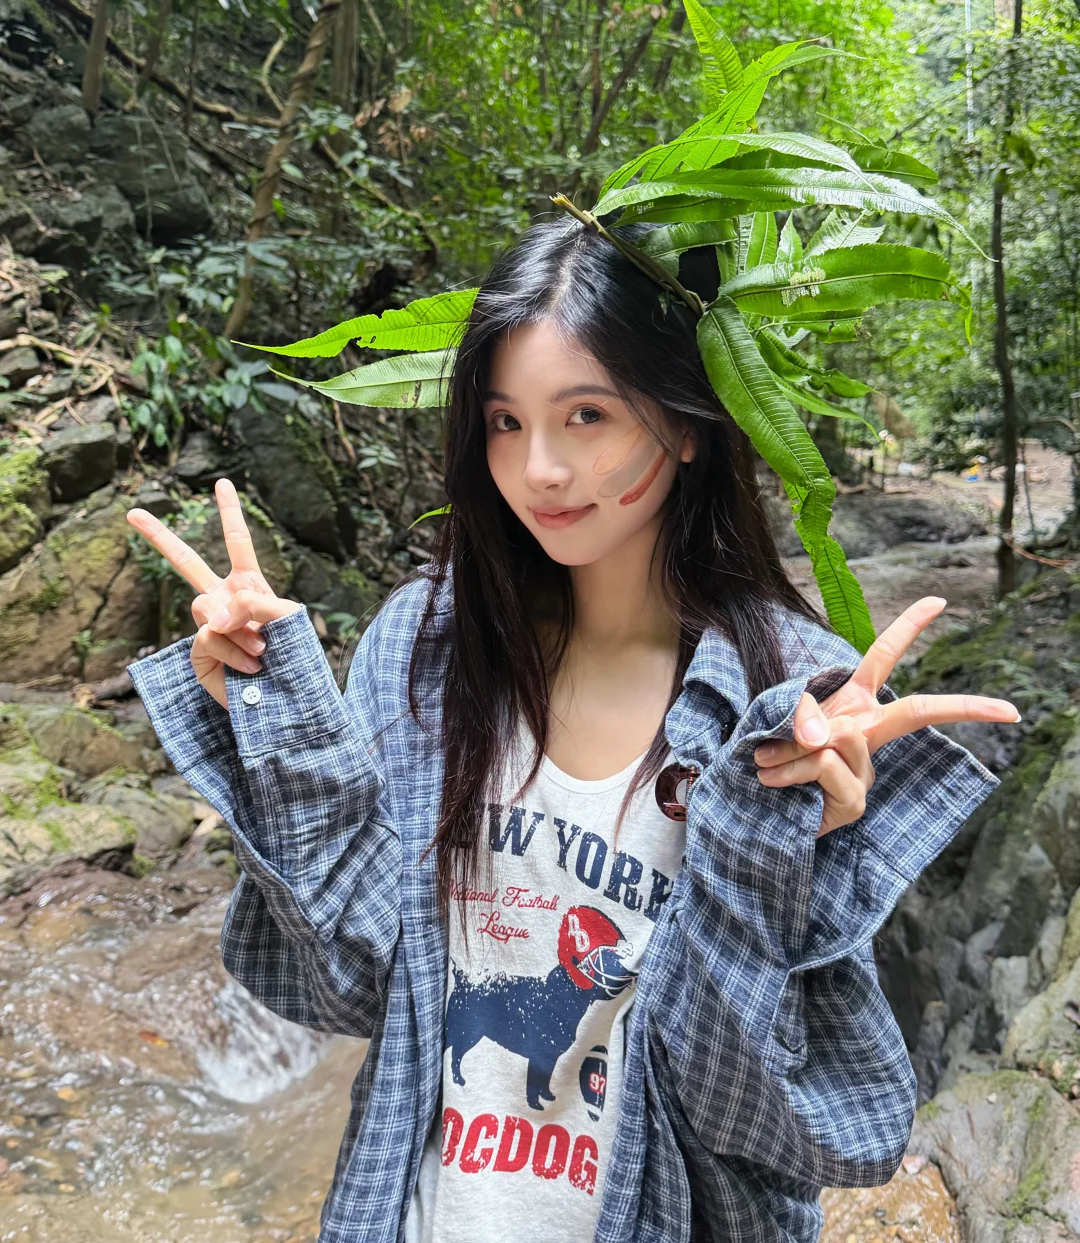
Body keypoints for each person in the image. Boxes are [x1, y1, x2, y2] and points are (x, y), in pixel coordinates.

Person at [125, 214, 1020, 1243]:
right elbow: (361, 985)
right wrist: (275, 718)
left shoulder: (790, 705)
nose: (539, 468)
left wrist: (768, 846)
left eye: (586, 415)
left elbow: (781, 1119)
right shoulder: (429, 648)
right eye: (505, 422)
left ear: (687, 424)